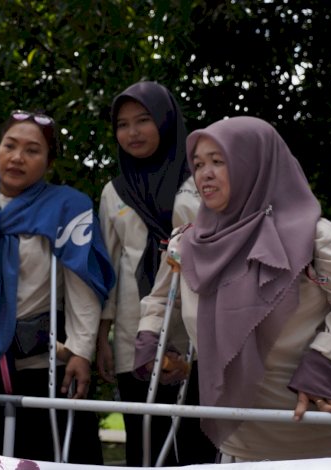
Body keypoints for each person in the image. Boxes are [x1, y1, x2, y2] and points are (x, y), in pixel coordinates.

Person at [135, 116, 331, 462]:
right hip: (239, 443)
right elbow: (161, 300)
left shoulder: (317, 237)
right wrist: (151, 341)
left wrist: (326, 363)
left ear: (256, 166)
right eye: (199, 163)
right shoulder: (186, 243)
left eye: (219, 161)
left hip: (323, 439)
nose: (204, 173)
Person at [0, 110, 113, 463]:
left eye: (32, 150)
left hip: (42, 363)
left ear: (48, 162)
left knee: (49, 456)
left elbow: (81, 283)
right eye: (10, 145)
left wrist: (81, 351)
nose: (17, 157)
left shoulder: (66, 207)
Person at [95, 81, 214, 465]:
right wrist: (102, 337)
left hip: (200, 329)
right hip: (136, 332)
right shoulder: (113, 192)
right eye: (123, 124)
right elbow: (110, 270)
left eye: (143, 120)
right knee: (146, 441)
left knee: (199, 439)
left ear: (165, 121)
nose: (132, 133)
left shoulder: (200, 182)